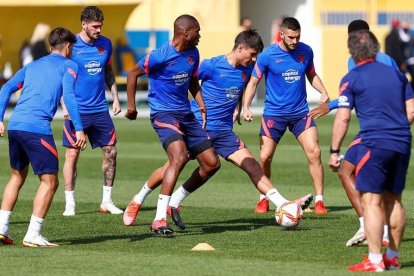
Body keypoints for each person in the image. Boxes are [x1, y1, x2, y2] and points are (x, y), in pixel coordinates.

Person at [122, 29, 313, 229]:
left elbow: (239, 88)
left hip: (223, 131)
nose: (254, 59)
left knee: (251, 165)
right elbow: (189, 80)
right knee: (172, 165)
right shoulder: (211, 66)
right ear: (241, 48)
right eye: (253, 54)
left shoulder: (247, 69)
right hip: (199, 126)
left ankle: (283, 204)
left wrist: (238, 108)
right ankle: (138, 199)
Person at [124, 14, 220, 235]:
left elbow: (192, 80)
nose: (200, 35)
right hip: (163, 113)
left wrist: (201, 104)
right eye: (197, 31)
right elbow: (132, 74)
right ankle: (159, 219)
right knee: (178, 157)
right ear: (185, 32)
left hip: (186, 114)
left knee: (211, 163)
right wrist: (131, 106)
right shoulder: (160, 55)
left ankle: (145, 199)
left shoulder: (193, 53)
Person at [329, 30, 414, 272]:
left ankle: (375, 260)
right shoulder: (397, 75)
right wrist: (395, 130)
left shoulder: (352, 77)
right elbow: (411, 110)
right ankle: (393, 257)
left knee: (372, 202)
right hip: (402, 142)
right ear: (376, 49)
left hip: (374, 143)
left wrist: (335, 150)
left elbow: (343, 118)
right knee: (394, 200)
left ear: (352, 52)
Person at [0, 27, 87, 247]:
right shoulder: (69, 65)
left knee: (17, 176)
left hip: (16, 125)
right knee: (50, 181)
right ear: (68, 47)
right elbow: (68, 95)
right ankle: (33, 235)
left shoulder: (32, 65)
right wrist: (79, 128)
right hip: (36, 129)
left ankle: (1, 229)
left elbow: (6, 88)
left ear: (50, 47)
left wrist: (0, 118)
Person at [309, 19, 393, 247]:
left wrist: (332, 106)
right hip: (394, 130)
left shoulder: (355, 60)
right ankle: (382, 233)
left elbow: (353, 97)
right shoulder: (388, 60)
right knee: (381, 182)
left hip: (374, 129)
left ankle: (370, 227)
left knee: (347, 171)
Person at [242, 17, 330, 215]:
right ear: (281, 34)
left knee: (314, 152)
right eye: (291, 37)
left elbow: (312, 74)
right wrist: (246, 106)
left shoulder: (306, 51)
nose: (295, 41)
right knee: (264, 157)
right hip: (274, 114)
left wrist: (323, 91)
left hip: (300, 113)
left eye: (298, 37)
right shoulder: (267, 55)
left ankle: (320, 201)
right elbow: (253, 82)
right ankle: (263, 198)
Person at [62, 6, 123, 216]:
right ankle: (70, 203)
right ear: (84, 24)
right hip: (76, 110)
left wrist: (115, 97)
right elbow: (62, 78)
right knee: (72, 155)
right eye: (95, 26)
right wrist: (64, 105)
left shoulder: (105, 44)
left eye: (100, 26)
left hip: (99, 110)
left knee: (111, 152)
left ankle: (106, 201)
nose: (98, 30)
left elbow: (108, 70)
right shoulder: (71, 46)